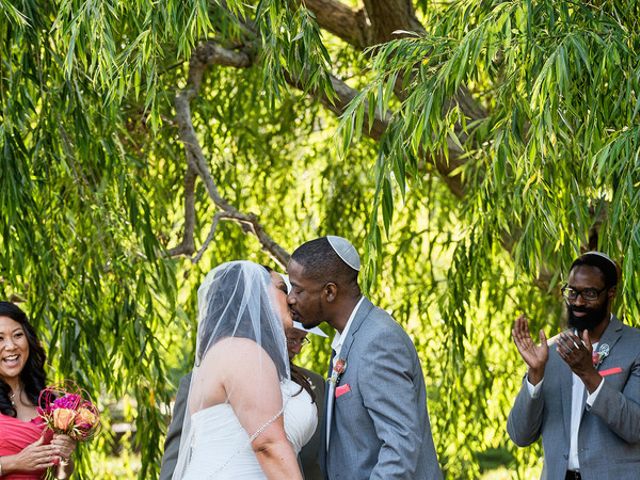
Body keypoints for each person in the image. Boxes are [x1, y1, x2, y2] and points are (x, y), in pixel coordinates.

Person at [287, 236, 443, 480]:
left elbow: (400, 446)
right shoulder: (352, 337)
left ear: (329, 291)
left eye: (298, 289)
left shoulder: (377, 341)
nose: (290, 298)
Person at [160, 270, 325, 480]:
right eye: (283, 289)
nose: (292, 299)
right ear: (254, 294)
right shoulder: (243, 351)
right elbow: (268, 444)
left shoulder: (245, 354)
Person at [508, 251, 640, 479]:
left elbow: (635, 428)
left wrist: (589, 374)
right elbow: (520, 435)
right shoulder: (550, 352)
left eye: (589, 293)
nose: (578, 302)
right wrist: (535, 376)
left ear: (611, 294)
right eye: (572, 292)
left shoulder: (635, 346)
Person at [0, 302, 77, 479]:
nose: (11, 346)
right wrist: (15, 462)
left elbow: (60, 474)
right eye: (0, 339)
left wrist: (64, 456)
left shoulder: (49, 400)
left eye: (17, 335)